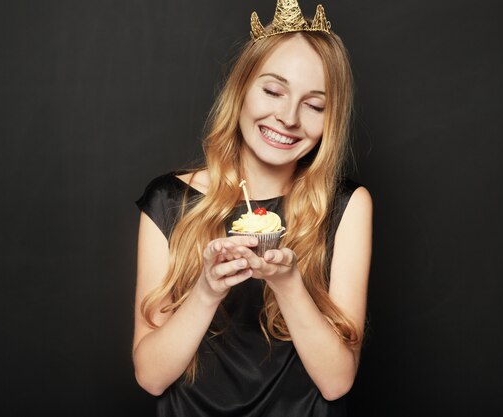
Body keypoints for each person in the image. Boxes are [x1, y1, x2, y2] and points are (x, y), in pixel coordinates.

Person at [133, 1, 372, 415]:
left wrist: (288, 283)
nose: (288, 117)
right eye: (274, 91)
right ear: (241, 88)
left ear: (330, 119)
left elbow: (337, 383)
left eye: (315, 105)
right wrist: (206, 292)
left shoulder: (346, 207)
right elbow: (150, 376)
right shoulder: (169, 202)